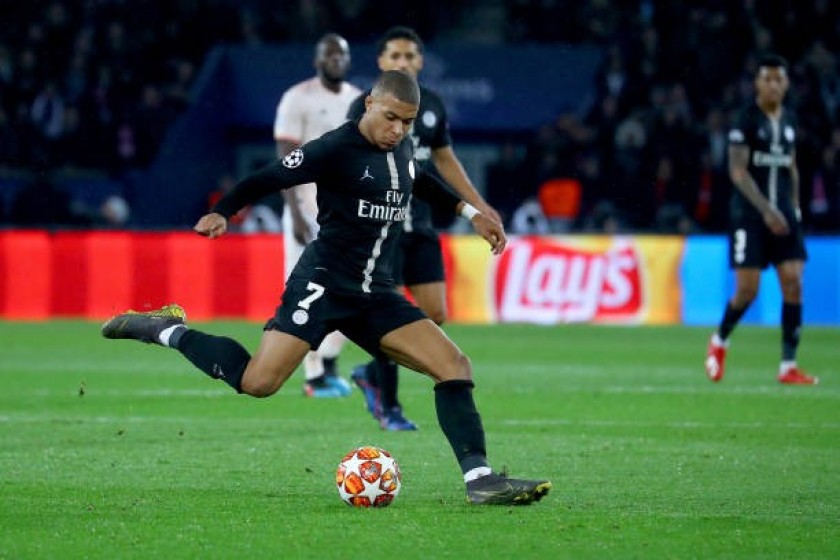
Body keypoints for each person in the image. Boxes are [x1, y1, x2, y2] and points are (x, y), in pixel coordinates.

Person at [101, 70, 551, 506]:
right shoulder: (336, 148)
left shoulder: (401, 150)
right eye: (391, 117)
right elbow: (269, 176)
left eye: (407, 122)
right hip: (323, 285)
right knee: (259, 382)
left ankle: (481, 481)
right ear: (370, 103)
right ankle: (165, 329)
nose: (398, 130)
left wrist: (474, 215)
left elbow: (424, 181)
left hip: (375, 292)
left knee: (454, 365)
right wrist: (225, 210)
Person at [346, 26, 500, 431]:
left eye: (410, 56)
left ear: (421, 62)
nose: (403, 63)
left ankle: (369, 372)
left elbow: (446, 161)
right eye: (395, 56)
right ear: (381, 62)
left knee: (434, 313)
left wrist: (480, 207)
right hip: (383, 230)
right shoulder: (364, 107)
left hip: (423, 227)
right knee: (389, 315)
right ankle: (389, 405)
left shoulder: (430, 105)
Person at [705, 55, 817, 385]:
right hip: (750, 216)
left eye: (778, 79)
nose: (773, 85)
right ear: (757, 84)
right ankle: (719, 341)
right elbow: (737, 171)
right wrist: (766, 210)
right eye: (766, 79)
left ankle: (788, 366)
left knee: (794, 282)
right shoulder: (745, 120)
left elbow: (791, 167)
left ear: (786, 84)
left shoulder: (791, 121)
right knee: (747, 291)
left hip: (784, 215)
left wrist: (793, 208)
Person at [273, 33, 362, 398]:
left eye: (341, 54)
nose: (336, 60)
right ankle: (313, 377)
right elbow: (285, 160)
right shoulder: (298, 98)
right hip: (307, 210)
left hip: (347, 213)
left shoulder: (359, 99)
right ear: (317, 60)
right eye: (329, 55)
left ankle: (326, 365)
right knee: (306, 292)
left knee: (352, 294)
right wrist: (293, 212)